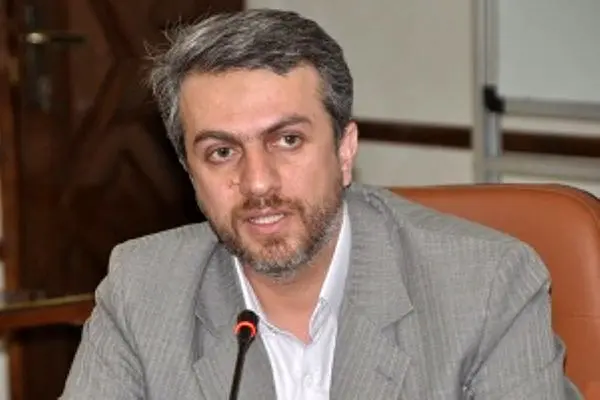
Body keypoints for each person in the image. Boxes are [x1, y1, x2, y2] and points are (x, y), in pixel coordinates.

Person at [60, 8, 581, 400]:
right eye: (221, 152)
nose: (257, 183)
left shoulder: (485, 287)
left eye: (287, 141)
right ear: (189, 172)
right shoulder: (142, 289)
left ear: (345, 150)